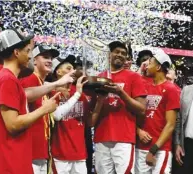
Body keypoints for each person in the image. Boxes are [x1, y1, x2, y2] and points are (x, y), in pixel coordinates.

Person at [0, 29, 59, 174]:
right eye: (27, 51)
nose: (30, 56)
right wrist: (44, 109)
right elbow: (13, 124)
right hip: (8, 162)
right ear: (16, 52)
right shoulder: (7, 79)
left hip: (11, 159)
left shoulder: (8, 79)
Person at [90, 41, 147, 174]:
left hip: (124, 137)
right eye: (116, 51)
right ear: (109, 54)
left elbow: (141, 109)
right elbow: (93, 110)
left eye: (123, 53)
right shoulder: (99, 78)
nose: (120, 55)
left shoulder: (134, 77)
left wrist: (120, 93)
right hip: (101, 136)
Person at [135, 51, 180, 174]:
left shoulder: (171, 89)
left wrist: (153, 150)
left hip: (160, 149)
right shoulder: (143, 85)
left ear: (158, 67)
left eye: (150, 63)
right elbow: (132, 114)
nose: (146, 66)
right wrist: (138, 131)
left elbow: (170, 125)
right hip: (141, 147)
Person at [19, 45, 60, 174]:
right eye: (45, 57)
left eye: (51, 58)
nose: (50, 61)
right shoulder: (29, 79)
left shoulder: (42, 83)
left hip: (40, 152)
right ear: (34, 60)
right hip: (30, 151)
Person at [51, 56, 90, 174]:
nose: (73, 71)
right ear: (58, 71)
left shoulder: (80, 93)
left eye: (73, 68)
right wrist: (77, 94)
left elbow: (89, 122)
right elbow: (56, 115)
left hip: (79, 153)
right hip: (60, 154)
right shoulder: (51, 92)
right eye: (68, 68)